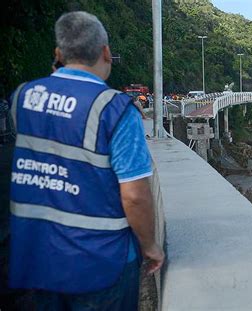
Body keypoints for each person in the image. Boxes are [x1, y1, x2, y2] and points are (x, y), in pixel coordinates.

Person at [8, 11, 164, 310]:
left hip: (38, 257)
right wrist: (150, 246)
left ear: (58, 54)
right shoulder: (114, 109)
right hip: (101, 263)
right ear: (106, 52)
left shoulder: (22, 97)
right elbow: (135, 196)